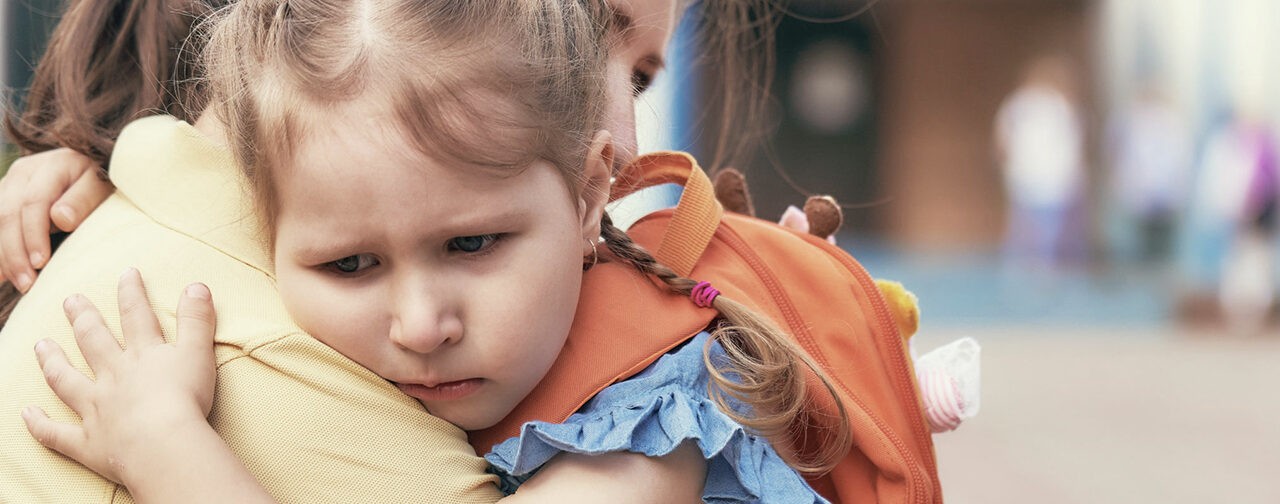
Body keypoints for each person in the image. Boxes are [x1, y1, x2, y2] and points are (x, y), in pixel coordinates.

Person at [9, 0, 846, 501]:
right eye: (349, 264)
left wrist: (169, 454)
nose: (419, 325)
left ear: (589, 190)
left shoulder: (655, 429)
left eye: (472, 243)